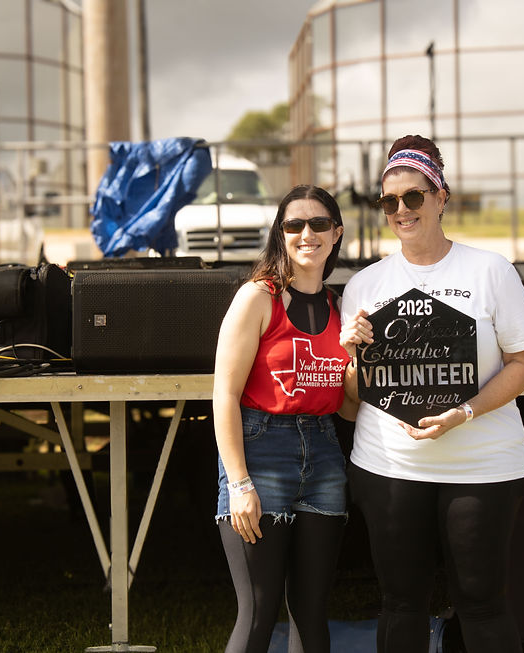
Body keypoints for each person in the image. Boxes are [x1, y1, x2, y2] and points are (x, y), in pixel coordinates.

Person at [339, 135, 524, 652]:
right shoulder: (364, 286)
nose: (401, 210)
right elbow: (351, 400)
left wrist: (465, 412)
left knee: (482, 603)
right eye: (390, 202)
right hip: (389, 464)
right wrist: (350, 354)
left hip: (482, 464)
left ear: (441, 197)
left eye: (414, 197)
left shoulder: (490, 271)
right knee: (400, 603)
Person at [213, 184, 354, 653]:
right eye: (294, 225)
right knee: (258, 608)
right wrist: (239, 483)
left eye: (318, 224)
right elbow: (224, 395)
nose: (306, 234)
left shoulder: (341, 310)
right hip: (260, 450)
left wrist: (357, 356)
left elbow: (348, 406)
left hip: (325, 457)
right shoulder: (258, 297)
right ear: (281, 234)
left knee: (312, 612)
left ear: (336, 233)